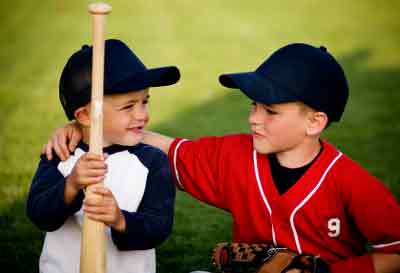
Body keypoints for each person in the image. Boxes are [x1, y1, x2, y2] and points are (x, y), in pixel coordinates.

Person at [42, 43, 400, 273]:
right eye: (253, 106)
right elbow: (166, 148)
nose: (253, 118)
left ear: (314, 122)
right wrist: (88, 130)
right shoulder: (235, 156)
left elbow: (394, 252)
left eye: (270, 111)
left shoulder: (349, 182)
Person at [27, 39, 180, 273]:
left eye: (145, 102)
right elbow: (39, 215)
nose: (143, 115)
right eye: (128, 106)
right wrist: (72, 185)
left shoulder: (153, 162)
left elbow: (159, 227)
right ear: (85, 115)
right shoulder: (60, 154)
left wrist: (120, 220)